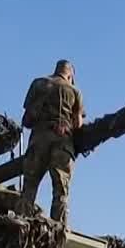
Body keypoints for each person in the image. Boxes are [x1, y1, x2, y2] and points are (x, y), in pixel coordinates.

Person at [19, 59, 85, 225]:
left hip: (38, 140)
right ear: (70, 74)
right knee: (61, 191)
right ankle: (57, 231)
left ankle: (21, 227)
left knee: (29, 189)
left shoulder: (39, 83)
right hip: (63, 143)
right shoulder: (74, 91)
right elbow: (78, 123)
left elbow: (27, 120)